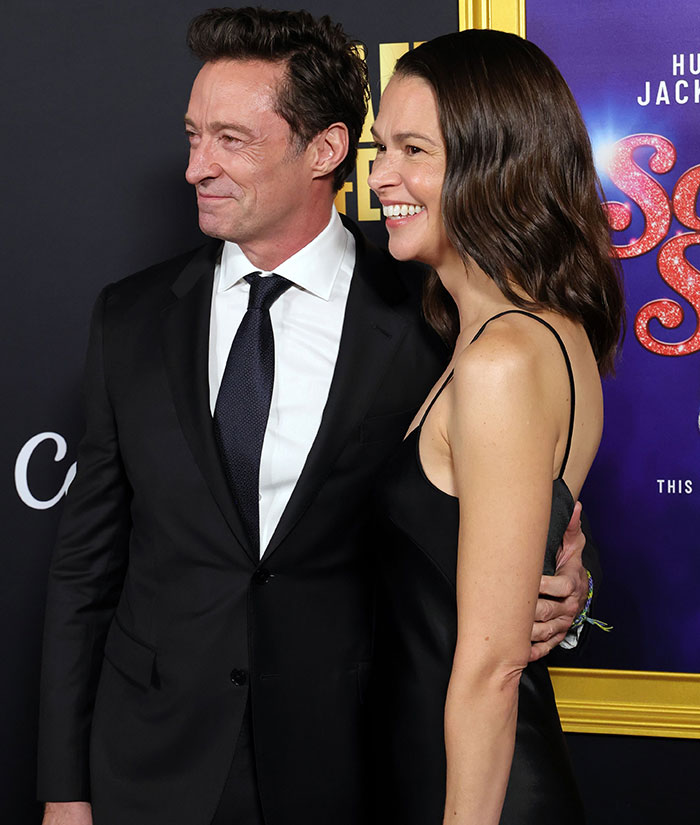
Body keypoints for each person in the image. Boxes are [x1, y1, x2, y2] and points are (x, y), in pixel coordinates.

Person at [37, 10, 598, 825]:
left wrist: (566, 582)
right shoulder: (128, 319)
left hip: (350, 768)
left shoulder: (432, 316)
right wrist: (64, 789)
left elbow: (490, 499)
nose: (197, 166)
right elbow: (82, 570)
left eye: (230, 139)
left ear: (326, 150)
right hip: (151, 764)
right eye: (193, 134)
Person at [367, 28, 624, 825]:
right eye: (381, 148)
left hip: (481, 795)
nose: (382, 178)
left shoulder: (503, 359)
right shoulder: (523, 333)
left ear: (494, 162)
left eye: (415, 149)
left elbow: (491, 670)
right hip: (440, 774)